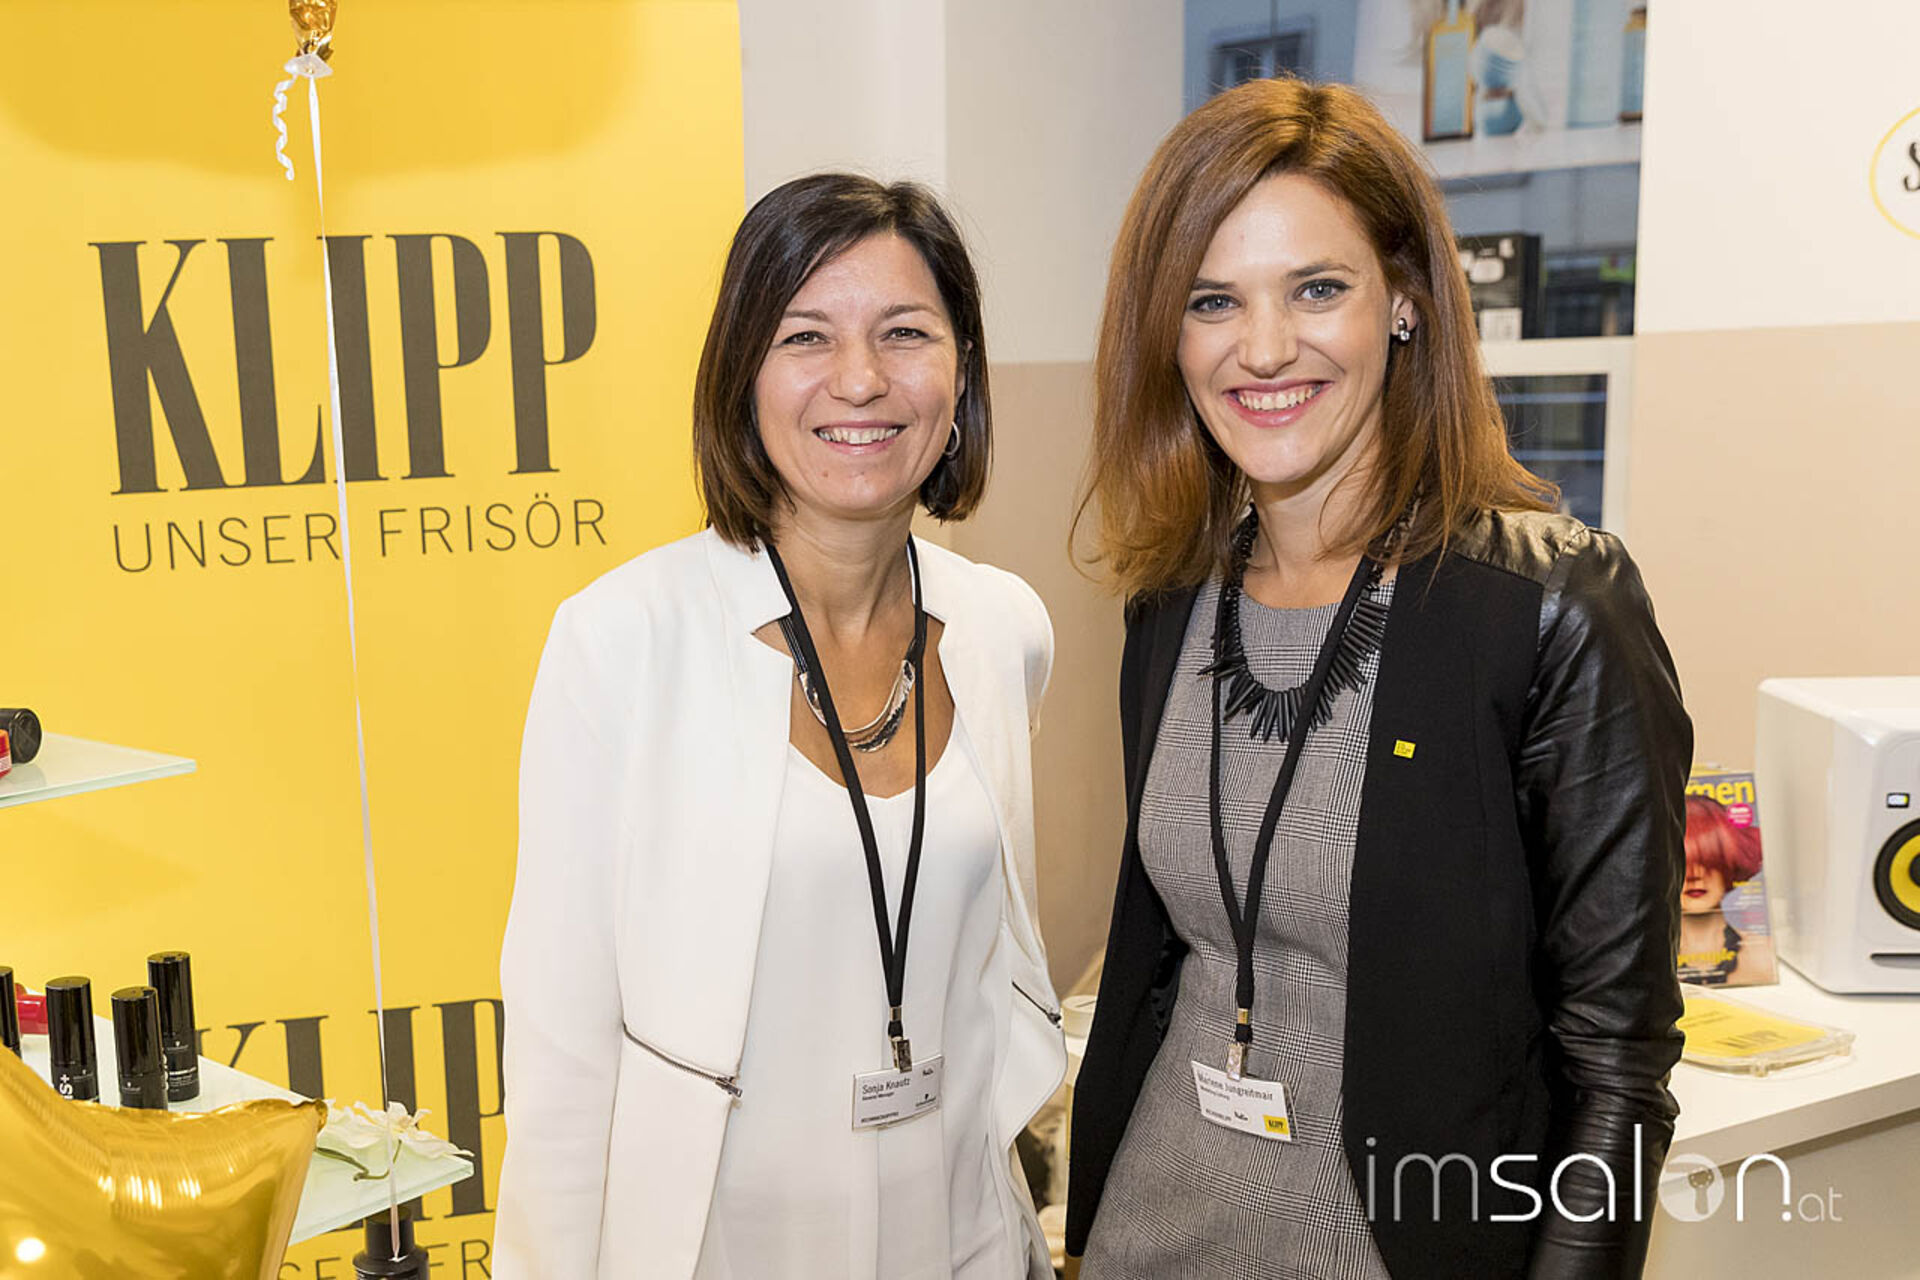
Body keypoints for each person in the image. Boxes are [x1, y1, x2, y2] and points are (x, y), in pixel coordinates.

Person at [1065, 79, 1691, 1280]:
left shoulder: (1551, 609)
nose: (1263, 348)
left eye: (1316, 288)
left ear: (1404, 300)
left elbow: (1618, 1070)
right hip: (1146, 1236)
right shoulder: (1169, 607)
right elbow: (1164, 967)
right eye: (1212, 299)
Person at [494, 174, 1066, 1280]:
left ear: (961, 371)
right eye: (806, 335)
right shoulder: (621, 642)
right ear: (741, 377)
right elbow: (562, 1058)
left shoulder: (1004, 630)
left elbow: (994, 969)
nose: (860, 378)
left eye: (905, 332)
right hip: (724, 1247)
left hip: (963, 1235)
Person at [1677, 795, 1774, 985]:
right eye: (1684, 863)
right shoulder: (1641, 961)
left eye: (1709, 859)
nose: (1695, 875)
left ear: (1730, 862)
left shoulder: (1763, 956)